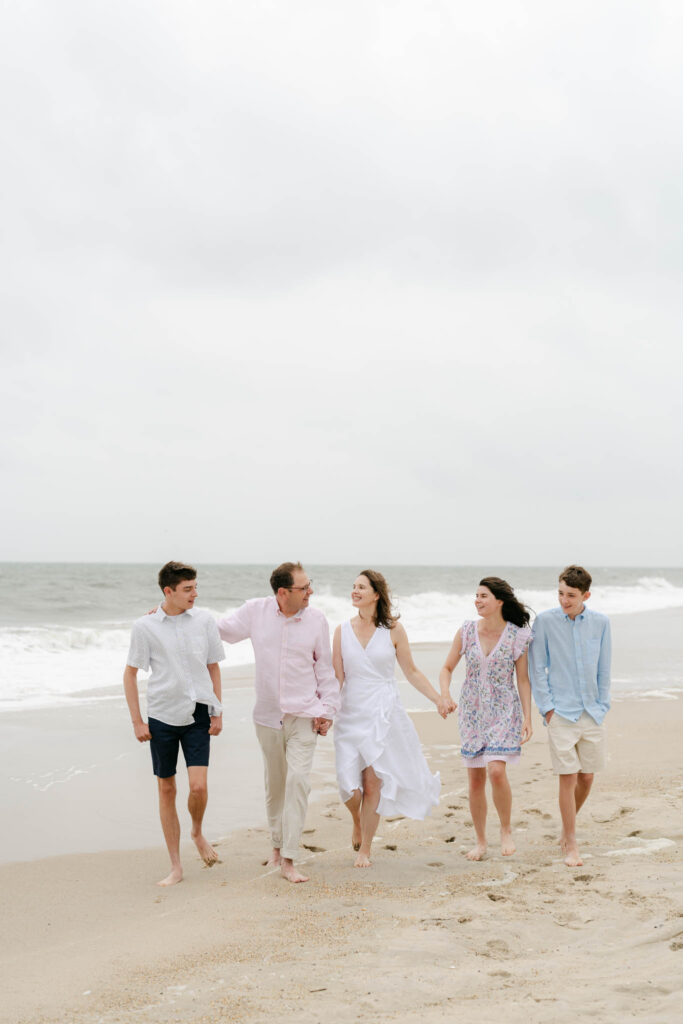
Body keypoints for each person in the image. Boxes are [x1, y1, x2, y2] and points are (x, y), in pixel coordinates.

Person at [216, 562, 340, 883]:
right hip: (268, 717)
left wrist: (327, 709)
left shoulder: (317, 620)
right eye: (304, 588)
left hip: (304, 715)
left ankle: (289, 857)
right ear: (283, 593)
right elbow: (220, 630)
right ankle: (275, 844)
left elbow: (324, 669)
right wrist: (174, 615)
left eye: (310, 585)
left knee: (298, 781)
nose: (310, 592)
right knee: (275, 784)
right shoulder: (255, 612)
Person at [332, 570, 453, 868]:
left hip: (382, 713)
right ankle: (356, 820)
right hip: (350, 713)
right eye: (353, 587)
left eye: (361, 587)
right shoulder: (341, 631)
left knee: (372, 784)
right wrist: (323, 712)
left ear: (376, 594)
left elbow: (411, 672)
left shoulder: (394, 630)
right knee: (349, 786)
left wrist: (438, 698)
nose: (355, 591)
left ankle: (366, 849)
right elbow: (337, 678)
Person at [123, 561, 225, 886]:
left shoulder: (205, 621)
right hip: (162, 716)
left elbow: (213, 667)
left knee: (198, 786)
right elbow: (130, 674)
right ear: (168, 592)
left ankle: (196, 831)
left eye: (195, 587)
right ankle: (176, 867)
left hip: (197, 712)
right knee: (167, 788)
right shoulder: (145, 626)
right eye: (187, 589)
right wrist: (137, 720)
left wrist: (217, 710)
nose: (195, 593)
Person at [439, 577, 533, 861]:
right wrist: (445, 695)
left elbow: (523, 681)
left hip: (505, 710)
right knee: (476, 779)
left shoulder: (518, 635)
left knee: (496, 770)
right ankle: (480, 841)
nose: (478, 600)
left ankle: (505, 829)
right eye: (476, 596)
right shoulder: (467, 631)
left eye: (484, 596)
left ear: (500, 601)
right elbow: (446, 668)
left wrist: (528, 717)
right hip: (472, 712)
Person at [528, 565, 611, 868]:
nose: (564, 599)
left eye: (571, 595)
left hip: (592, 711)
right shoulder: (545, 622)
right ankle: (571, 841)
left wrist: (603, 704)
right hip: (560, 712)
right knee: (568, 777)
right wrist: (547, 709)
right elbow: (537, 668)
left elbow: (604, 667)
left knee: (586, 778)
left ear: (586, 595)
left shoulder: (601, 623)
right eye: (561, 593)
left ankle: (566, 828)